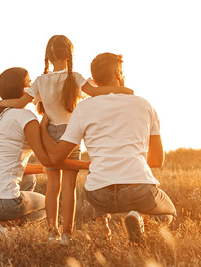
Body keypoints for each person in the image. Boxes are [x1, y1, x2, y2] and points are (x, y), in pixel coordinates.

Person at [0, 35, 132, 245]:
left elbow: (20, 103)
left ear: (48, 57)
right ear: (69, 55)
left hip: (49, 133)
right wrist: (122, 90)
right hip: (71, 135)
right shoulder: (75, 77)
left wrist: (2, 102)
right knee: (69, 188)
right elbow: (96, 93)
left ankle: (52, 233)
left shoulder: (41, 81)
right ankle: (67, 235)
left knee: (53, 187)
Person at [41, 53, 176, 243]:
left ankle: (111, 226)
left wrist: (42, 128)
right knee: (168, 213)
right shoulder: (145, 105)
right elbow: (157, 161)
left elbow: (57, 157)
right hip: (137, 190)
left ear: (94, 80)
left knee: (101, 176)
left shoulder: (83, 108)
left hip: (99, 195)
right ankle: (138, 216)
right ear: (118, 73)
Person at [0, 67, 88, 239]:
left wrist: (43, 170)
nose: (32, 85)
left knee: (29, 179)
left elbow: (14, 165)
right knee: (46, 206)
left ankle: (0, 226)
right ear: (23, 89)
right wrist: (86, 165)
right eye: (29, 82)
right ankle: (2, 224)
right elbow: (48, 160)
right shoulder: (26, 117)